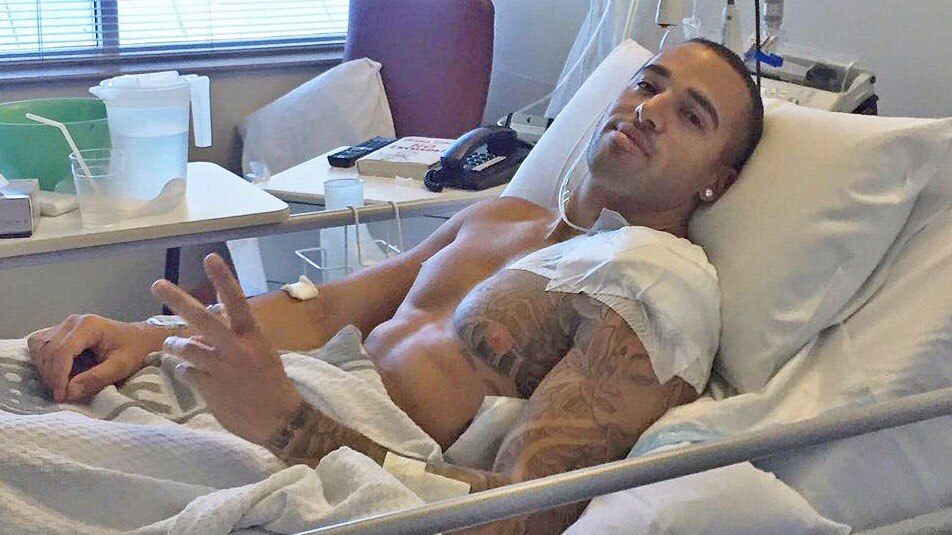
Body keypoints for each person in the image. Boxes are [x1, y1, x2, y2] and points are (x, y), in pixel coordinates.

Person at [27, 38, 764, 533]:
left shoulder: (656, 287)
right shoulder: (503, 217)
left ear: (717, 181)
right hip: (266, 398)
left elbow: (521, 518)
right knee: (39, 374)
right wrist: (149, 336)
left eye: (690, 115)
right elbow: (326, 311)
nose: (650, 110)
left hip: (313, 453)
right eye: (648, 85)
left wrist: (284, 421)